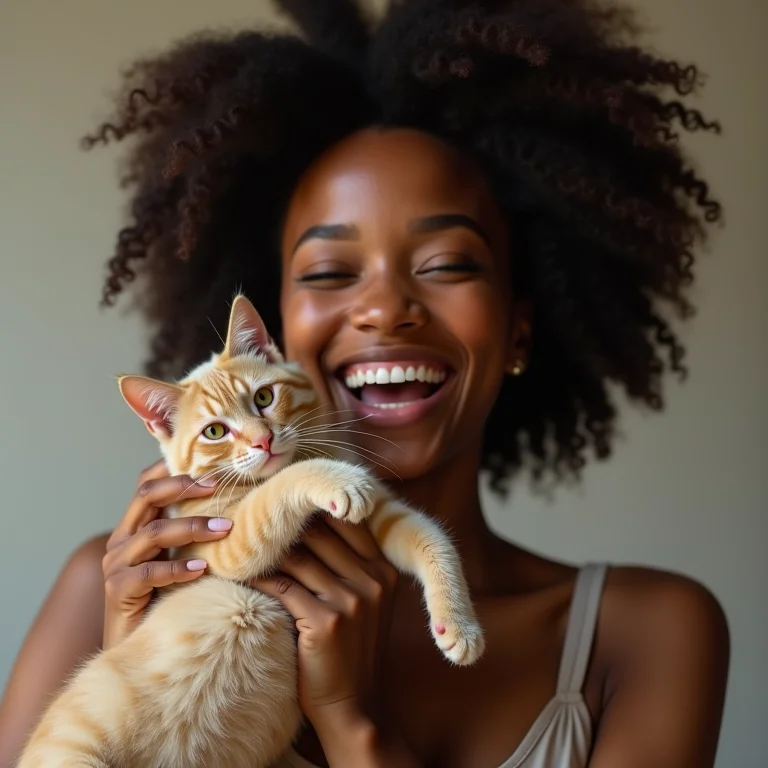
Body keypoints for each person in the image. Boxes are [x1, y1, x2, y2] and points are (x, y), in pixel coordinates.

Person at [0, 1, 730, 766]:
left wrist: (353, 722)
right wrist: (135, 665)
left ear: (518, 327)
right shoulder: (113, 586)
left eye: (447, 263)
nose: (385, 309)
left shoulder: (647, 632)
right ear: (273, 334)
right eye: (329, 272)